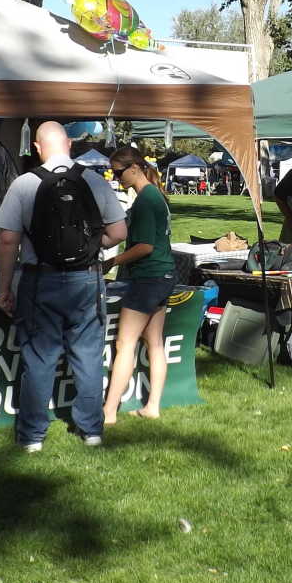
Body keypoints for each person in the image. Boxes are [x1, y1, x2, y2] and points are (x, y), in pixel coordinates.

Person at [0, 122, 126, 451]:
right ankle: (91, 430)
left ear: (37, 148)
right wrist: (92, 245)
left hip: (40, 280)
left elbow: (8, 240)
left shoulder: (24, 184)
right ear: (69, 143)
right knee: (88, 356)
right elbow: (119, 232)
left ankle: (32, 437)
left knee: (39, 359)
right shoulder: (94, 180)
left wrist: (5, 287)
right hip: (87, 280)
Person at [101, 146, 175, 425]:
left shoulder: (145, 200)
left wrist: (113, 261)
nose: (116, 177)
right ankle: (152, 406)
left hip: (149, 278)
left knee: (125, 343)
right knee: (154, 342)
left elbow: (145, 246)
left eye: (119, 172)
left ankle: (109, 411)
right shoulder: (155, 195)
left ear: (134, 168)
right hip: (164, 275)